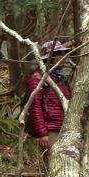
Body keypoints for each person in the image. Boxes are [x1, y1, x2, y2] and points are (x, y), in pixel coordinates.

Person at [27, 40, 71, 169]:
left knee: (65, 170)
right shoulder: (38, 78)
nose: (63, 57)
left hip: (65, 130)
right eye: (59, 54)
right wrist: (43, 134)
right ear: (51, 57)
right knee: (52, 170)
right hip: (50, 132)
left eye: (63, 54)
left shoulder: (62, 79)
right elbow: (35, 108)